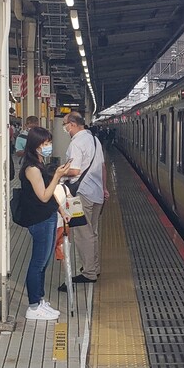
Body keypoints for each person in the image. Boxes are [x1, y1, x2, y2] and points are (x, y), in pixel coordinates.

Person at [18, 127, 73, 320]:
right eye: (45, 143)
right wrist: (57, 176)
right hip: (39, 220)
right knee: (38, 263)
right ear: (36, 145)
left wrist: (61, 211)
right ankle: (33, 307)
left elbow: (49, 196)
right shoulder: (32, 169)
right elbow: (43, 196)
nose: (49, 146)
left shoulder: (39, 164)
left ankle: (39, 300)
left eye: (49, 142)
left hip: (47, 216)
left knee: (44, 262)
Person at [60, 111, 106, 287]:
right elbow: (103, 166)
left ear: (72, 124)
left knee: (82, 234)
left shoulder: (76, 143)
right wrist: (105, 189)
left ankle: (89, 273)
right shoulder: (94, 140)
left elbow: (75, 170)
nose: (65, 128)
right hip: (97, 193)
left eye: (65, 124)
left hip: (82, 193)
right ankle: (94, 267)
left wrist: (59, 173)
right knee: (92, 232)